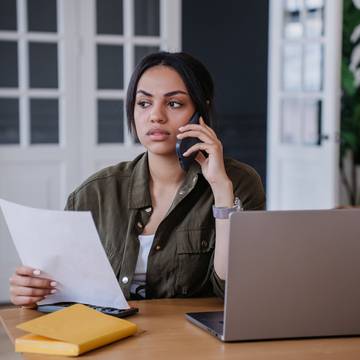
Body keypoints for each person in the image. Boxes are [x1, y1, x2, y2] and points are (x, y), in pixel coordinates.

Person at [9, 51, 265, 307]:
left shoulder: (238, 183)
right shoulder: (94, 193)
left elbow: (233, 291)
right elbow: (64, 294)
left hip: (193, 341)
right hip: (111, 338)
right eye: (144, 103)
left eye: (174, 103)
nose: (156, 116)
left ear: (201, 111)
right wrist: (32, 290)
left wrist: (221, 191)